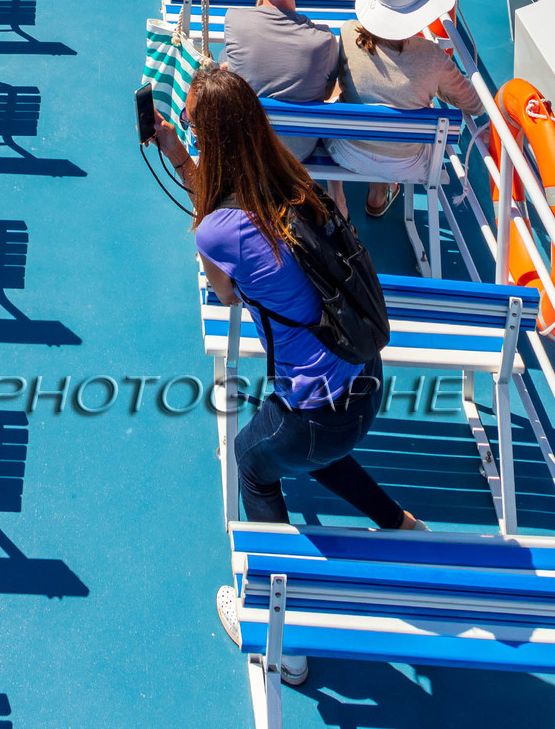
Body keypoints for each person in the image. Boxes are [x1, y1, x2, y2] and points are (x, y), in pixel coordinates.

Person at [155, 62, 420, 685]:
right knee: (305, 451)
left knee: (253, 458)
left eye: (192, 128)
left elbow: (224, 289)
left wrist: (178, 163)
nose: (187, 133)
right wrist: (179, 153)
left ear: (210, 141)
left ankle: (287, 634)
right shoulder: (295, 182)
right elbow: (233, 215)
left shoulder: (217, 231)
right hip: (364, 381)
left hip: (318, 414)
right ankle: (399, 526)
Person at [325, 0, 483, 218]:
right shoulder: (432, 57)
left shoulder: (349, 32)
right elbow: (474, 105)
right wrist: (435, 85)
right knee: (410, 110)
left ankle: (343, 196)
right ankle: (378, 193)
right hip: (405, 164)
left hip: (347, 152)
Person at [221, 0, 341, 161]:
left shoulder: (234, 22)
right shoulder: (323, 40)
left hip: (250, 146)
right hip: (299, 151)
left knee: (226, 56)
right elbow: (327, 90)